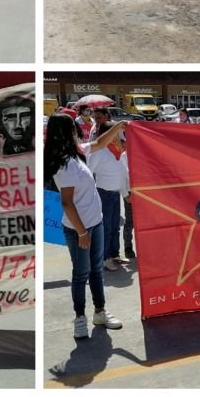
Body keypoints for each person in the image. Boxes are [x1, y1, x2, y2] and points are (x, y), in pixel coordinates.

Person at [44, 114, 126, 339]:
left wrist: (117, 126)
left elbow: (100, 143)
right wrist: (81, 233)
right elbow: (67, 203)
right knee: (81, 274)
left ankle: (100, 312)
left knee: (96, 271)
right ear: (66, 132)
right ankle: (79, 318)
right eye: (73, 129)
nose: (76, 131)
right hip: (79, 228)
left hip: (95, 222)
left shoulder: (77, 152)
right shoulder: (65, 164)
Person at [88, 121, 130, 271]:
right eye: (114, 133)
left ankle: (114, 255)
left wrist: (124, 194)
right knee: (105, 228)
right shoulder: (100, 151)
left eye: (117, 133)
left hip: (115, 194)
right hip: (103, 194)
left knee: (114, 227)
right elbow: (88, 172)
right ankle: (104, 259)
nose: (117, 136)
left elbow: (121, 173)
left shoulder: (117, 151)